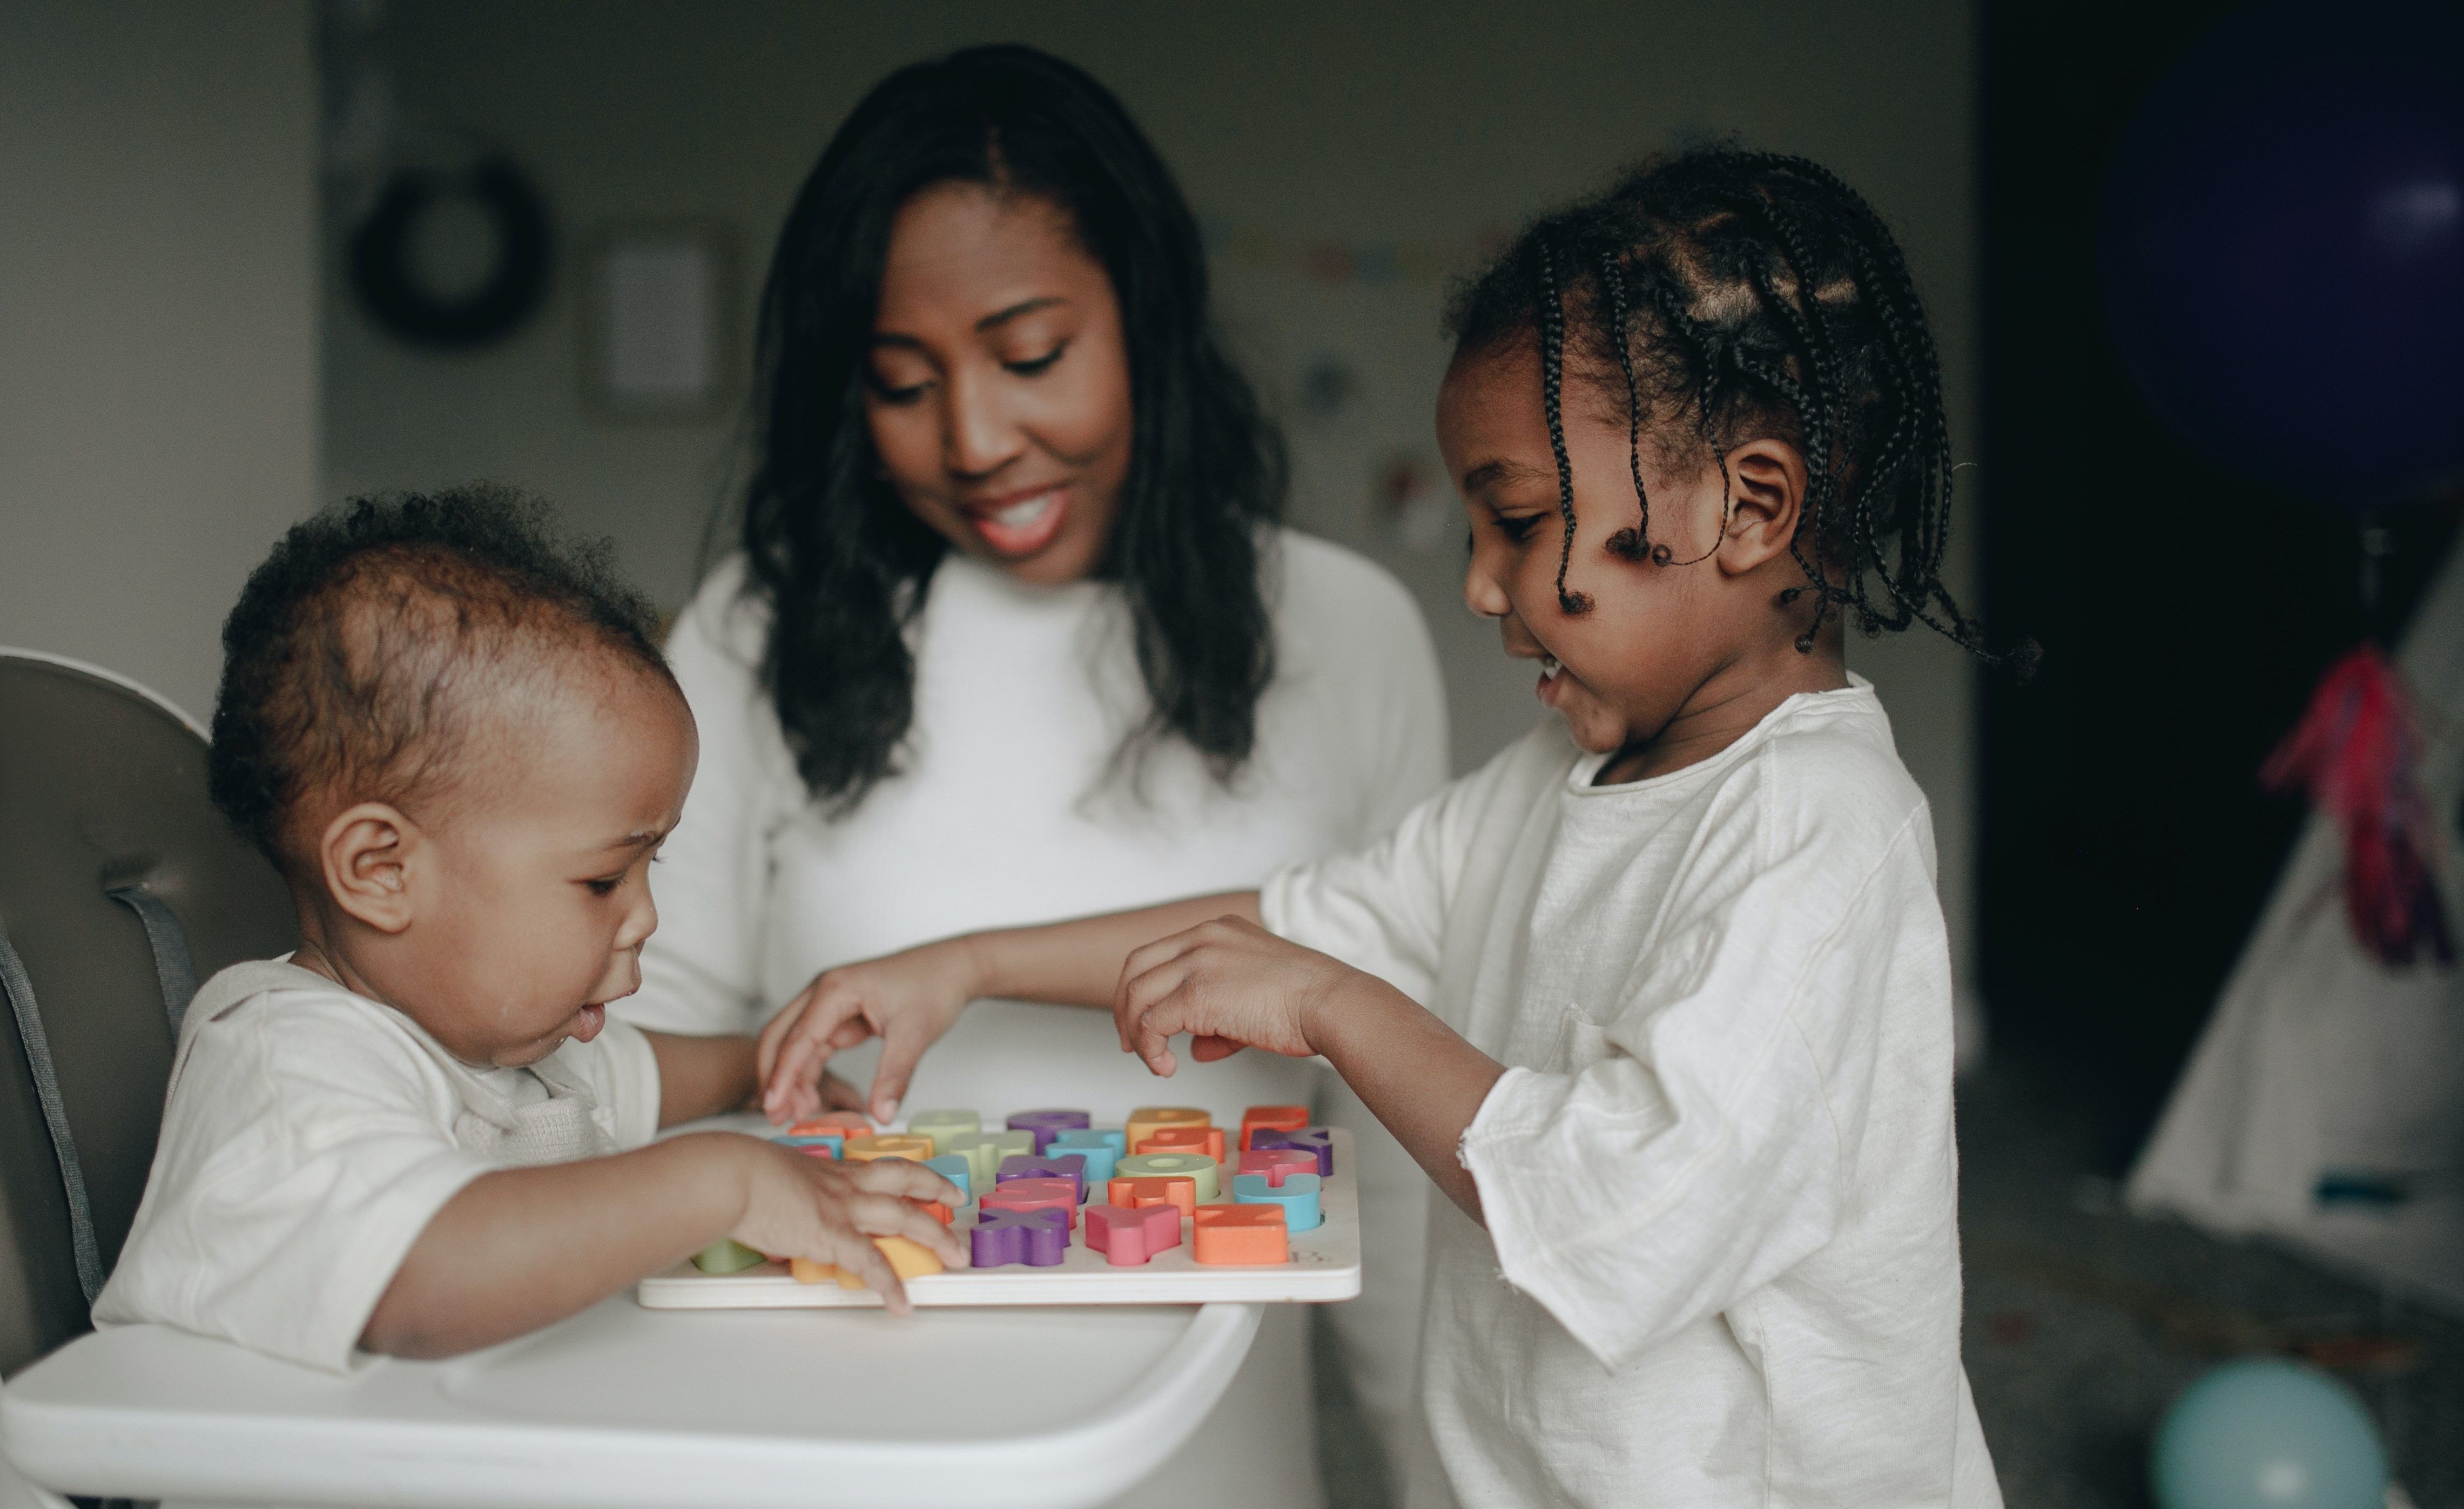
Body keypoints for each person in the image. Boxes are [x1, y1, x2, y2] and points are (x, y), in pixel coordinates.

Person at [759, 149, 2022, 1508]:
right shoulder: (1554, 780)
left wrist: (1336, 1007)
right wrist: (960, 963)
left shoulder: (1815, 835)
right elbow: (1288, 925)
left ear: (1749, 507)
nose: (1480, 583)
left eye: (1522, 522)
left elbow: (1624, 1212)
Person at [614, 45, 1448, 1500]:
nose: (976, 442)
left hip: (1212, 1463)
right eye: (899, 382)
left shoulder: (1348, 631)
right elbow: (633, 1069)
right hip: (820, 1441)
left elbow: (1394, 1140)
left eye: (1029, 356)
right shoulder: (757, 630)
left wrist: (1428, 1472)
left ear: (1145, 315)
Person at [94, 489, 965, 1373]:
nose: (645, 917)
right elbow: (420, 1280)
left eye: (647, 868)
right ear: (381, 870)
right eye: (602, 879)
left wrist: (769, 1068)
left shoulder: (516, 1047)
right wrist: (726, 1180)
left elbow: (654, 1074)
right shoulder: (282, 1069)